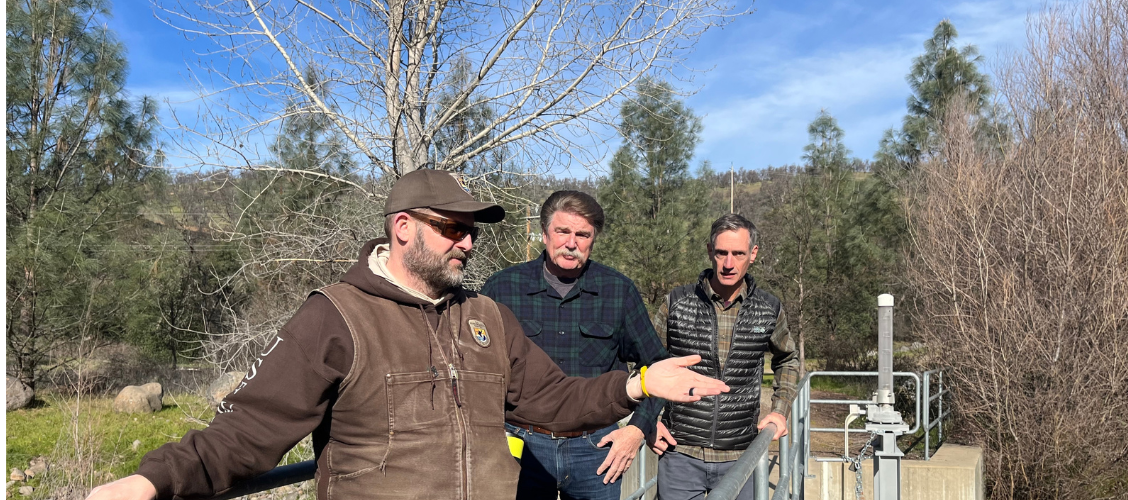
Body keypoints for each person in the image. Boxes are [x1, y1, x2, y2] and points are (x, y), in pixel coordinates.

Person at [85, 170, 728, 500]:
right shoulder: (336, 315)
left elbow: (554, 400)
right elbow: (250, 429)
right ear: (402, 228)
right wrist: (153, 480)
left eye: (471, 230)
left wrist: (640, 384)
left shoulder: (484, 315)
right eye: (452, 227)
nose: (467, 241)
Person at [482, 191, 674, 500]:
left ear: (593, 240)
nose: (571, 243)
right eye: (562, 231)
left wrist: (638, 428)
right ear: (545, 233)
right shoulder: (502, 288)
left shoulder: (618, 291)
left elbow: (656, 367)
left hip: (596, 448)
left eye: (582, 235)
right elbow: (478, 368)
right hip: (521, 443)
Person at [653, 213, 799, 500]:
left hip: (742, 457)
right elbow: (646, 364)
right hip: (680, 453)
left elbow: (787, 359)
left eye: (738, 254)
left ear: (753, 254)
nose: (729, 263)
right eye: (721, 253)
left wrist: (780, 411)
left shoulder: (769, 308)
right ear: (710, 251)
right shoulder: (676, 303)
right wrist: (648, 420)